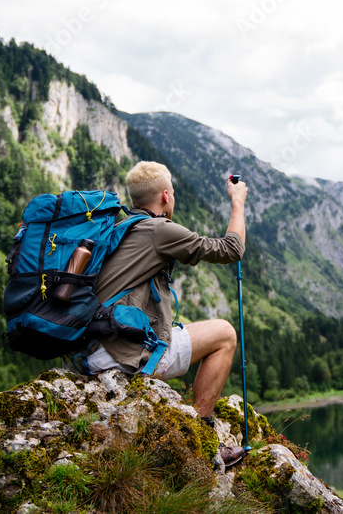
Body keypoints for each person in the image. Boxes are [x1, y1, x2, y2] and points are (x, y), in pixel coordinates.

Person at [85, 161, 248, 467]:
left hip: (92, 348)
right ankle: (203, 441)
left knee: (182, 331)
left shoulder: (118, 229)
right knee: (225, 334)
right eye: (172, 191)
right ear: (165, 196)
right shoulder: (159, 230)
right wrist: (237, 201)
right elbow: (231, 249)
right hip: (123, 354)